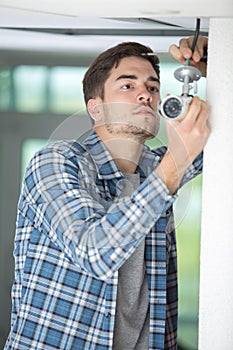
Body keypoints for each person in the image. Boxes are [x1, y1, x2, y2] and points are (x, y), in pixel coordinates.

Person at [4, 35, 209, 350]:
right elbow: (94, 253)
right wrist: (175, 164)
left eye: (153, 87)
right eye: (128, 86)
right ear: (95, 108)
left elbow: (225, 141)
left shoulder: (158, 166)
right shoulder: (58, 161)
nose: (146, 95)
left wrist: (219, 70)